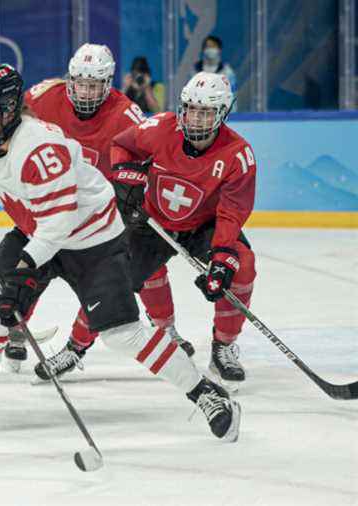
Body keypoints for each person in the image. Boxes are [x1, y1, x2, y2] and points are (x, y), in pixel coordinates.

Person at [0, 63, 241, 442]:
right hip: (36, 227)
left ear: (10, 110)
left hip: (91, 238)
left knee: (122, 334)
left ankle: (205, 393)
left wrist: (24, 270)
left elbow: (59, 222)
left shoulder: (41, 147)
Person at [48, 71, 255, 393]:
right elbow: (123, 146)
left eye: (206, 112)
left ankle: (224, 346)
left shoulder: (238, 154)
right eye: (191, 109)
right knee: (112, 280)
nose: (196, 119)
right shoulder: (160, 127)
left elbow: (232, 211)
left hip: (204, 226)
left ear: (223, 113)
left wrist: (223, 255)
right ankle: (75, 347)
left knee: (241, 265)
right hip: (151, 222)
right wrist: (126, 177)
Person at [0, 43, 192, 376]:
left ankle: (163, 328)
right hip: (51, 206)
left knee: (139, 267)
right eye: (81, 82)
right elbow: (10, 127)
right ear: (69, 79)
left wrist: (132, 185)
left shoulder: (126, 113)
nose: (86, 91)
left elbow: (147, 154)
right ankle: (15, 328)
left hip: (98, 215)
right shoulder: (42, 97)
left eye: (95, 84)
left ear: (109, 82)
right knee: (29, 265)